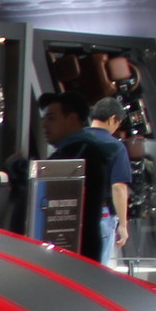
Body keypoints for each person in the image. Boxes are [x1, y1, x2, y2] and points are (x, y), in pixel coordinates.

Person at [36, 91, 132, 265]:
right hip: (98, 219)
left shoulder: (78, 148)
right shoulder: (111, 147)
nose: (44, 125)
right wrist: (123, 225)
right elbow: (118, 186)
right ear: (112, 119)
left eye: (51, 118)